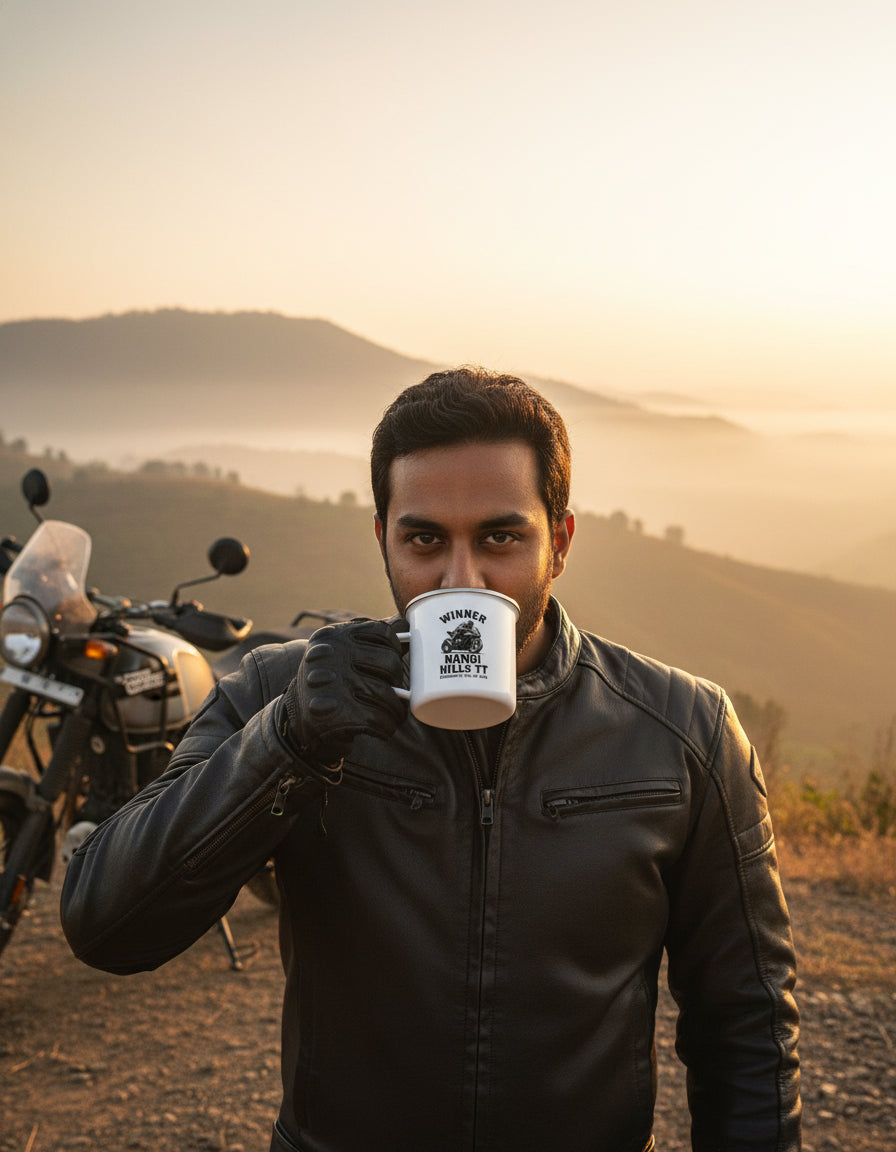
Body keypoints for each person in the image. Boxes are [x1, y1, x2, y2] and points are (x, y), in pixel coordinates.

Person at [61, 367, 801, 1152]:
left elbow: (746, 1023)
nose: (461, 579)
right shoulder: (280, 698)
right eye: (424, 540)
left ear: (560, 544)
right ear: (382, 539)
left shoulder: (683, 730)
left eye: (500, 537)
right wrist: (288, 743)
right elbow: (108, 927)